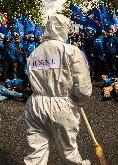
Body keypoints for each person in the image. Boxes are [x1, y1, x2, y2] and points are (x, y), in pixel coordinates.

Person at [24, 15, 92, 165]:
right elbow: (83, 88)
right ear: (63, 29)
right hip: (62, 105)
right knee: (69, 151)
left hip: (35, 104)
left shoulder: (35, 53)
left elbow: (30, 77)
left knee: (35, 152)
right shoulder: (71, 51)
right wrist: (78, 100)